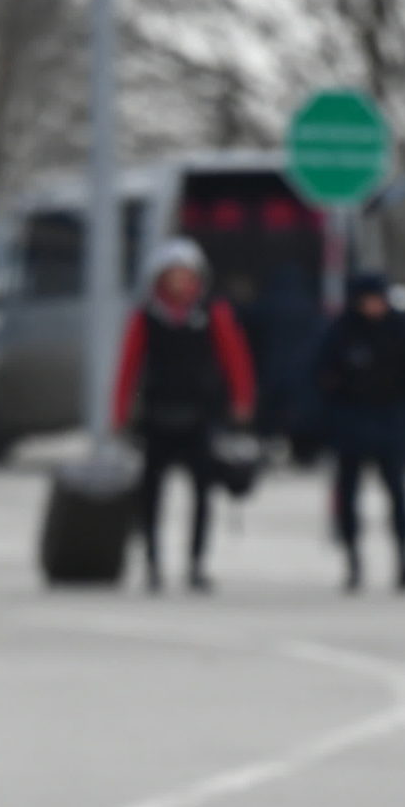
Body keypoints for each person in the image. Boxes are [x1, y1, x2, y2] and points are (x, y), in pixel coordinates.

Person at [110, 238, 255, 593]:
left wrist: (241, 399)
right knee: (151, 496)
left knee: (203, 494)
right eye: (173, 275)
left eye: (186, 275)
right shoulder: (146, 316)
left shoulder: (212, 313)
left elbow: (233, 357)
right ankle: (153, 563)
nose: (180, 283)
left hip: (199, 416)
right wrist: (120, 411)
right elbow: (128, 366)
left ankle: (196, 564)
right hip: (158, 417)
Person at [313, 271, 405, 592]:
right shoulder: (340, 333)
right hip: (351, 424)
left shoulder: (400, 330)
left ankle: (404, 560)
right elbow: (321, 381)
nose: (375, 307)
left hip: (391, 422)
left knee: (399, 496)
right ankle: (353, 562)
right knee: (349, 498)